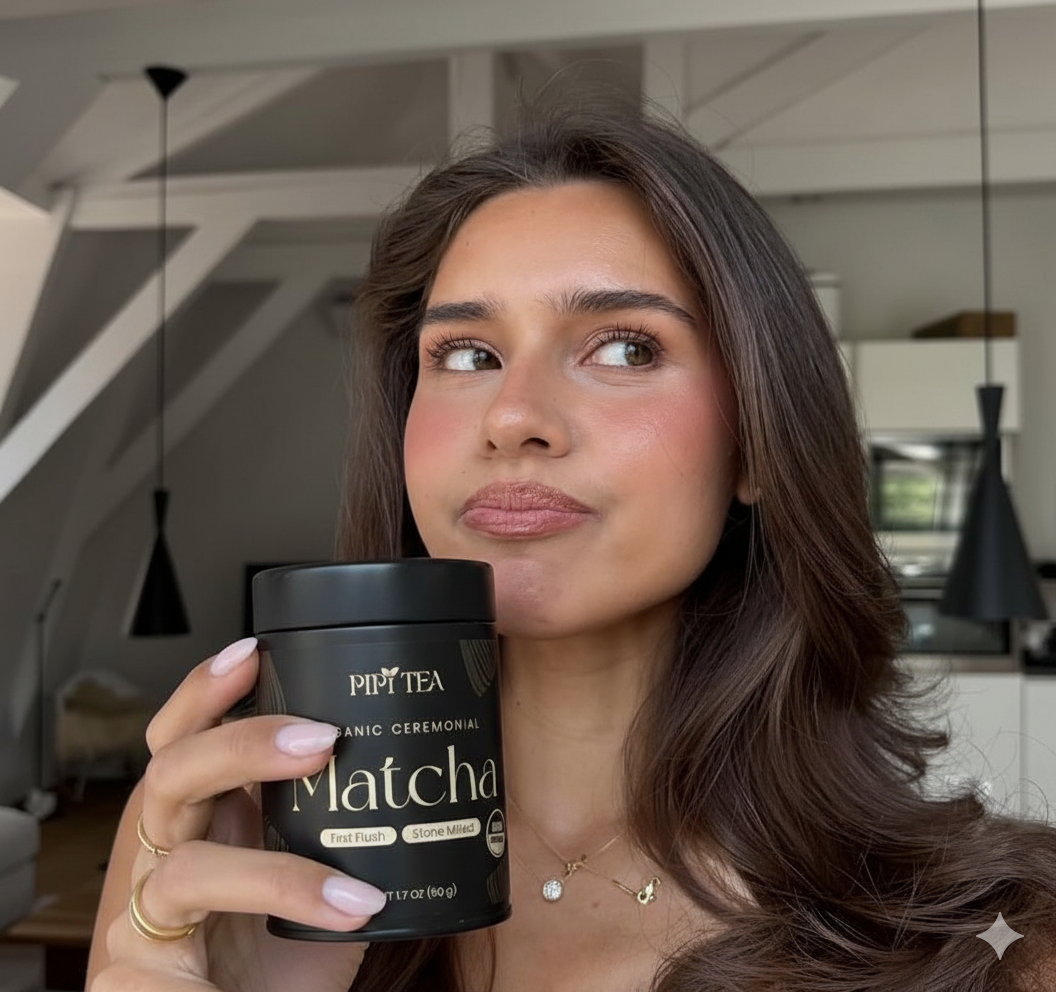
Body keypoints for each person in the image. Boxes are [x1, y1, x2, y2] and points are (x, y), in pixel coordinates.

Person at [87, 103, 1056, 992]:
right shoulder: (218, 869)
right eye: (466, 354)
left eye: (625, 346)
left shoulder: (1005, 938)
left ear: (757, 438)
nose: (513, 416)